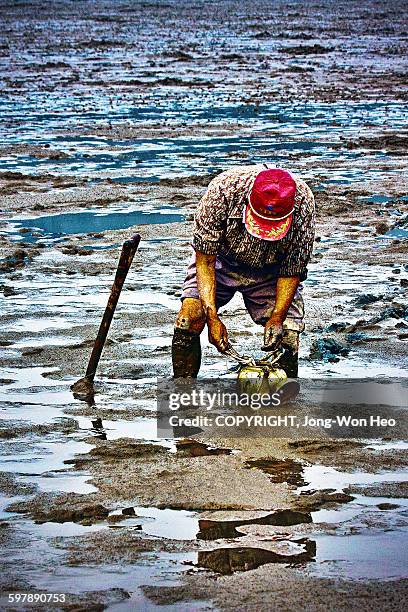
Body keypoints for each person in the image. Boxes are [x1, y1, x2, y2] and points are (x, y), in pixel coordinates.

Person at [172, 164, 315, 378]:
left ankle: (284, 404)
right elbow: (205, 261)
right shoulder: (222, 191)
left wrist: (277, 317)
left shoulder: (303, 203)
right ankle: (183, 393)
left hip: (272, 270)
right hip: (220, 261)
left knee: (286, 335)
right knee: (189, 318)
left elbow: (292, 269)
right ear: (247, 203)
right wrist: (212, 318)